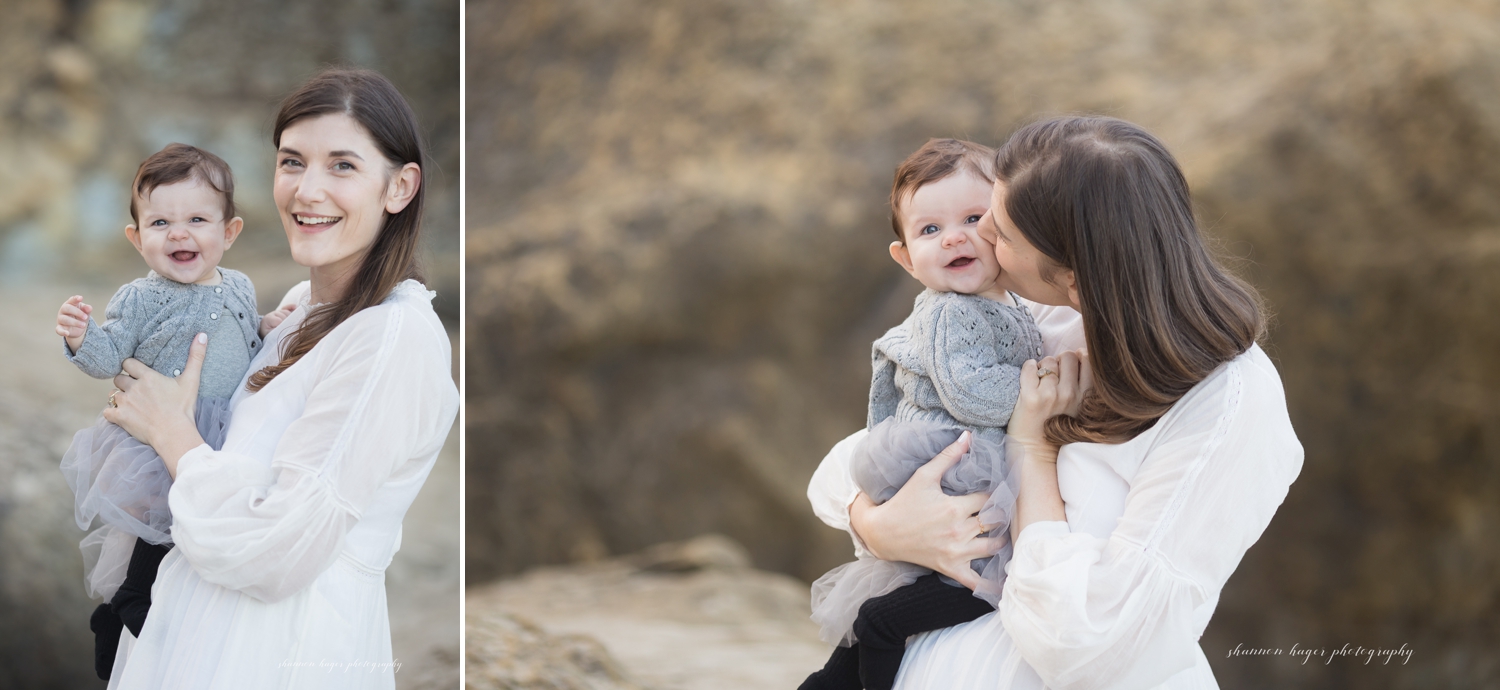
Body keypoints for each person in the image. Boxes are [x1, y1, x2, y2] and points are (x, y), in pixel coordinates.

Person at [807, 116, 1303, 689]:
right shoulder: (1039, 313)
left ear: (1073, 276)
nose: (979, 233)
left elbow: (1081, 643)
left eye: (1002, 231)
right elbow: (849, 463)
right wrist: (879, 526)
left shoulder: (1227, 404)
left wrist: (1031, 449)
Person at [99, 67, 458, 689]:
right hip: (198, 636)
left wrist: (171, 433)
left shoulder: (391, 338)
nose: (306, 191)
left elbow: (277, 548)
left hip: (279, 654)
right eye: (292, 162)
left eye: (342, 166)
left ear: (399, 186)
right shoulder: (298, 311)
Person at [801, 139, 1041, 690]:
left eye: (973, 218)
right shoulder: (949, 311)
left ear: (1006, 227)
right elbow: (972, 393)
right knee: (902, 610)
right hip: (957, 464)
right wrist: (1044, 389)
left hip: (964, 469)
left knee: (867, 634)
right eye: (929, 230)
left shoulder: (1008, 302)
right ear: (906, 258)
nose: (953, 236)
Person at [54, 144, 293, 679]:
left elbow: (243, 325)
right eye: (160, 222)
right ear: (137, 239)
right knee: (160, 525)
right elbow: (108, 357)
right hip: (160, 435)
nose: (179, 233)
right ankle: (128, 601)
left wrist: (265, 324)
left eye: (197, 220)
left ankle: (140, 610)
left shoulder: (239, 284)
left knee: (196, 533)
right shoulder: (139, 299)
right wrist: (80, 337)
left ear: (228, 233)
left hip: (218, 431)